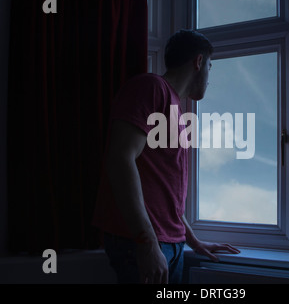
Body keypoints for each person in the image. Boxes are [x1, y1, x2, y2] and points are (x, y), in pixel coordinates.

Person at [93, 29, 240, 284]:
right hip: (143, 241)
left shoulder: (175, 109)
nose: (209, 77)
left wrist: (191, 239)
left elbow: (164, 190)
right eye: (210, 67)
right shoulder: (150, 88)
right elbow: (120, 159)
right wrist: (147, 242)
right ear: (198, 61)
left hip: (170, 243)